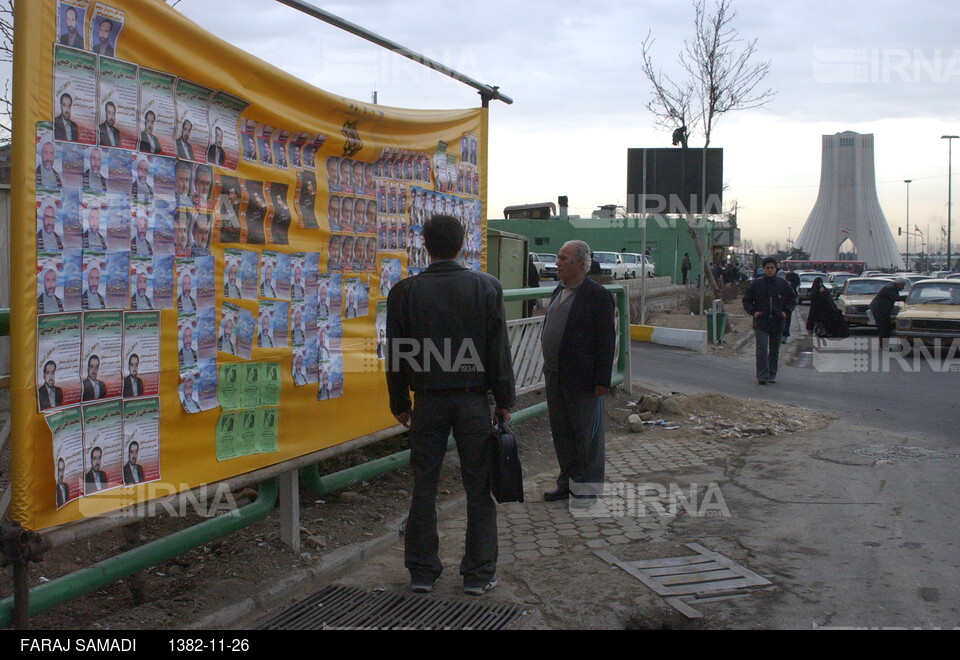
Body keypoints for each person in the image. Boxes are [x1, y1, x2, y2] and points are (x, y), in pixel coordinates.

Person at [385, 213, 514, 597]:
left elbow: (395, 355)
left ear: (424, 244)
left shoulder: (403, 293)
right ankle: (477, 574)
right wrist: (503, 401)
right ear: (463, 245)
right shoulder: (486, 288)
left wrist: (399, 402)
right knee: (479, 486)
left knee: (424, 485)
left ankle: (422, 572)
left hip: (427, 403)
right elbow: (498, 353)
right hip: (473, 402)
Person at [541, 241, 616, 503]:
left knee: (587, 437)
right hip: (555, 376)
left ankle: (588, 489)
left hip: (583, 380)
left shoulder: (597, 295)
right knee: (562, 433)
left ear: (579, 263)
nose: (557, 263)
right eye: (558, 258)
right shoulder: (558, 291)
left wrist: (602, 380)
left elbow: (607, 340)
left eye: (562, 258)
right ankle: (568, 482)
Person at [742, 257, 797, 384]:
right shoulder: (756, 284)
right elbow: (746, 300)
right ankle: (761, 375)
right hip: (761, 322)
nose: (770, 270)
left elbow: (792, 299)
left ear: (776, 269)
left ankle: (771, 374)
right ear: (764, 269)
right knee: (761, 348)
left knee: (774, 350)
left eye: (772, 268)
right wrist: (753, 312)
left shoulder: (783, 285)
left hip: (777, 322)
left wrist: (785, 311)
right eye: (767, 268)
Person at [869, 277, 908, 351]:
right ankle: (883, 346)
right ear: (899, 284)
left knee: (886, 328)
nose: (903, 288)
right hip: (880, 311)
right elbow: (895, 297)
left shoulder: (892, 287)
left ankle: (884, 345)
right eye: (903, 285)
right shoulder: (890, 288)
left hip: (882, 310)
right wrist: (907, 298)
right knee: (884, 328)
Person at [782, 267, 801, 343]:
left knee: (786, 323)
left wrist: (789, 308)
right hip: (778, 309)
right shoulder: (779, 286)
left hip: (786, 309)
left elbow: (792, 300)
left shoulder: (795, 276)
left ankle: (784, 337)